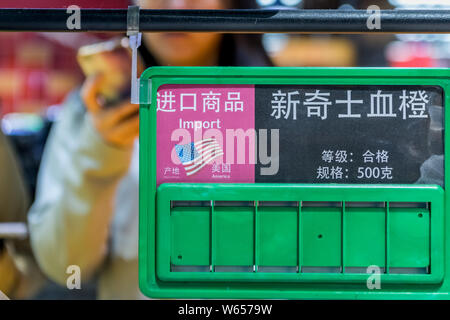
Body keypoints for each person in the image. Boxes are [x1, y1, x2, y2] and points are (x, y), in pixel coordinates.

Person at [28, 0, 272, 299]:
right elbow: (65, 265)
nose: (179, 5)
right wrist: (102, 150)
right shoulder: (89, 111)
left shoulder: (281, 107)